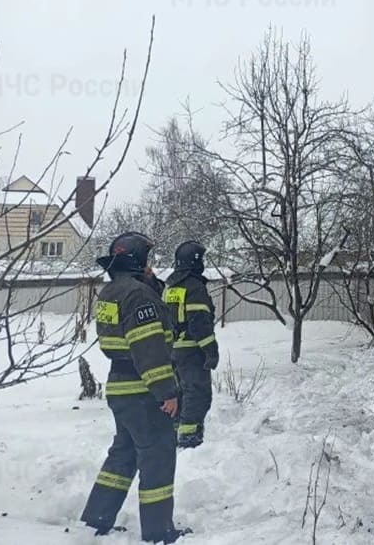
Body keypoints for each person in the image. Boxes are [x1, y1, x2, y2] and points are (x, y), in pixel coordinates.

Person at [81, 232, 190, 543]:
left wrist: (151, 284)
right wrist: (166, 392)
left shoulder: (112, 292)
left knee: (124, 455)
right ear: (139, 260)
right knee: (157, 455)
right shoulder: (139, 296)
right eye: (148, 260)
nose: (151, 265)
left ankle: (97, 519)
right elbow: (149, 348)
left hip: (120, 386)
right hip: (143, 390)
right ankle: (159, 532)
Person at [162, 241, 219, 449]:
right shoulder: (194, 287)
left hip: (173, 351)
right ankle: (189, 439)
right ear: (195, 262)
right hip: (192, 352)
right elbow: (200, 323)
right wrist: (211, 351)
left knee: (180, 394)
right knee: (197, 394)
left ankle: (176, 432)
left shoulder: (172, 288)